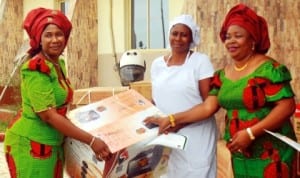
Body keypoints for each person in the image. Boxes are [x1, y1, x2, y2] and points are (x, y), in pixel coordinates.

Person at [144, 3, 297, 178]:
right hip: (241, 152)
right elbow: (208, 107)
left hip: (272, 155)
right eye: (227, 36)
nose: (231, 41)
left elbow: (287, 107)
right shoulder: (223, 76)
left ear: (252, 39)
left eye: (238, 36)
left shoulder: (268, 69)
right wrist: (171, 119)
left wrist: (251, 133)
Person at [3, 7, 111, 178]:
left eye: (59, 34)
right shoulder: (36, 68)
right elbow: (49, 116)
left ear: (65, 38)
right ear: (39, 39)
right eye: (48, 35)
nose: (55, 40)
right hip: (31, 143)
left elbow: (61, 105)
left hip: (53, 142)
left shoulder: (58, 63)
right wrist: (91, 140)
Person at [149, 14, 217, 178]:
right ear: (169, 35)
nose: (178, 38)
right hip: (167, 136)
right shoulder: (158, 65)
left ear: (191, 38)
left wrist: (177, 121)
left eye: (184, 34)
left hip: (196, 137)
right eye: (175, 33)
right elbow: (157, 99)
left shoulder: (200, 62)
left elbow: (210, 104)